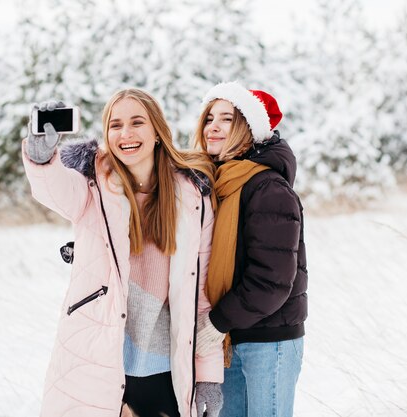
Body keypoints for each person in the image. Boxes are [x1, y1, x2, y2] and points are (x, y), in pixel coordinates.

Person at [22, 89, 225, 417]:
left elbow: (202, 298)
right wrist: (41, 158)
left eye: (136, 123)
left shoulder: (192, 198)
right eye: (115, 125)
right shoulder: (92, 186)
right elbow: (54, 190)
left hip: (168, 367)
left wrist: (209, 377)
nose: (125, 134)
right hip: (101, 359)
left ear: (157, 132)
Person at [192, 81, 308, 417]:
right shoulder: (213, 182)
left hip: (268, 340)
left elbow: (271, 279)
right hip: (228, 337)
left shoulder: (268, 188)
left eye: (226, 119)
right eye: (209, 117)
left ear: (248, 129)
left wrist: (216, 323)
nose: (213, 126)